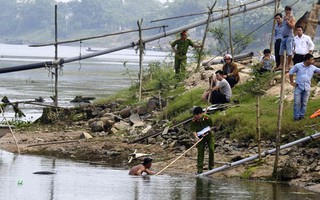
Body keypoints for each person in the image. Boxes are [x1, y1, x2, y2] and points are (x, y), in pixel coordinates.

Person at [289, 53, 320, 121]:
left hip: (307, 87)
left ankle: (302, 116)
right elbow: (291, 72)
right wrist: (292, 82)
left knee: (304, 103)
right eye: (311, 60)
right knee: (297, 103)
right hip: (299, 87)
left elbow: (319, 70)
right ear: (307, 60)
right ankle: (296, 117)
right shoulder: (298, 66)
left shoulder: (312, 67)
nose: (313, 61)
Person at [190, 106, 214, 174]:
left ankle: (211, 167)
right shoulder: (194, 120)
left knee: (211, 149)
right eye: (195, 115)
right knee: (200, 152)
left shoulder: (207, 118)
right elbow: (193, 130)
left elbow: (211, 126)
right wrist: (196, 137)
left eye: (197, 115)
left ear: (200, 114)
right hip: (200, 137)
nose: (196, 116)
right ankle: (199, 169)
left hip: (209, 136)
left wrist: (206, 132)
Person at [276, 5, 296, 72]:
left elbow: (292, 26)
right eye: (286, 10)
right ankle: (281, 65)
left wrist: (288, 21)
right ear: (285, 11)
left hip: (289, 36)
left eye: (289, 10)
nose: (287, 11)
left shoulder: (292, 18)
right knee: (281, 52)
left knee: (289, 52)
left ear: (290, 11)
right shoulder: (284, 18)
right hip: (283, 37)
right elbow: (280, 25)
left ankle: (288, 65)